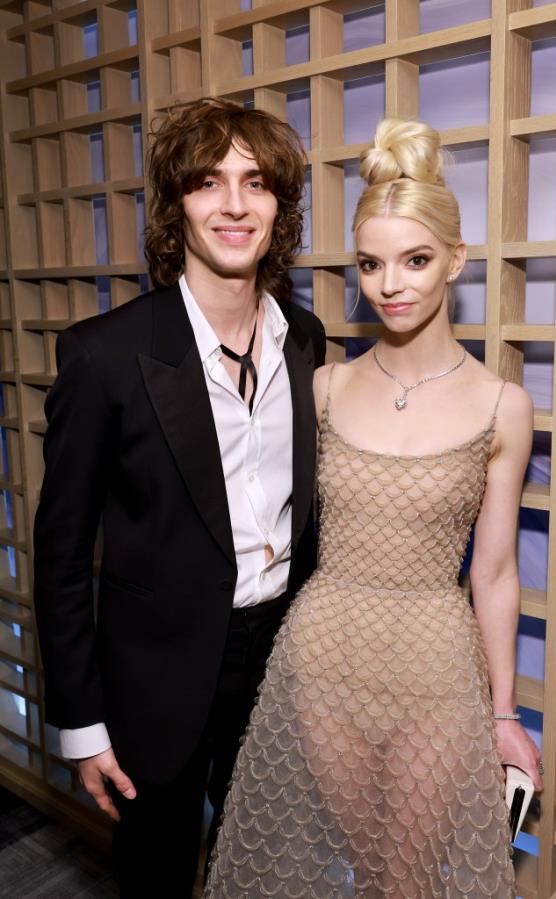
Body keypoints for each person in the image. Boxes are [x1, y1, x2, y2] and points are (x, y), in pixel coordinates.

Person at [204, 118, 543, 898]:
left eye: (415, 259)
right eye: (372, 263)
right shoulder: (324, 386)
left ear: (456, 261)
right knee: (363, 870)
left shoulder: (503, 405)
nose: (390, 284)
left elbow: (492, 573)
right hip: (325, 658)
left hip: (434, 666)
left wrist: (502, 713)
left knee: (406, 879)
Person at [33, 97, 325, 899]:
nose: (234, 204)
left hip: (277, 662)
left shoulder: (307, 341)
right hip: (155, 675)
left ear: (280, 206)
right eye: (208, 182)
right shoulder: (105, 356)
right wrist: (82, 724)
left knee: (268, 869)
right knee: (157, 877)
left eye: (256, 182)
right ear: (176, 206)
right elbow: (59, 556)